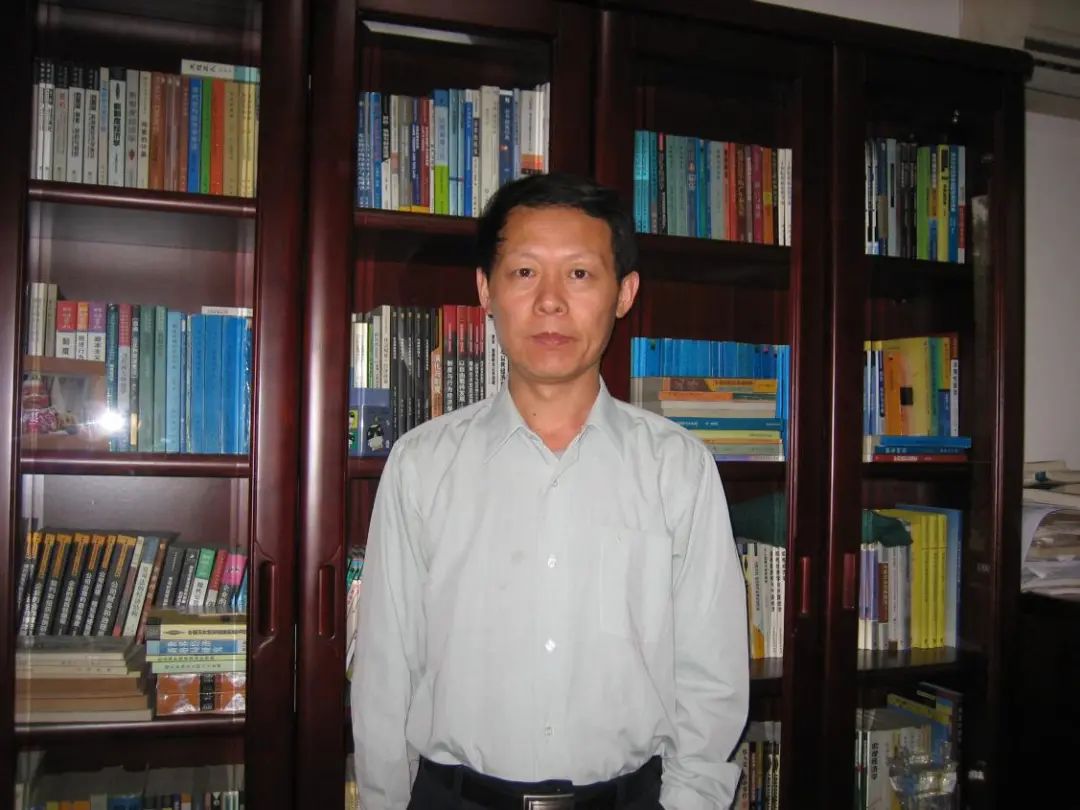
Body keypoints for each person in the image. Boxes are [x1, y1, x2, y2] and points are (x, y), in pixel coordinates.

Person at [351, 173, 748, 810]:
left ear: (625, 293)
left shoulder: (678, 468)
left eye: (581, 274)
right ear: (486, 290)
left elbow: (711, 677)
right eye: (525, 272)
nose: (551, 303)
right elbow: (384, 671)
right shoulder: (422, 464)